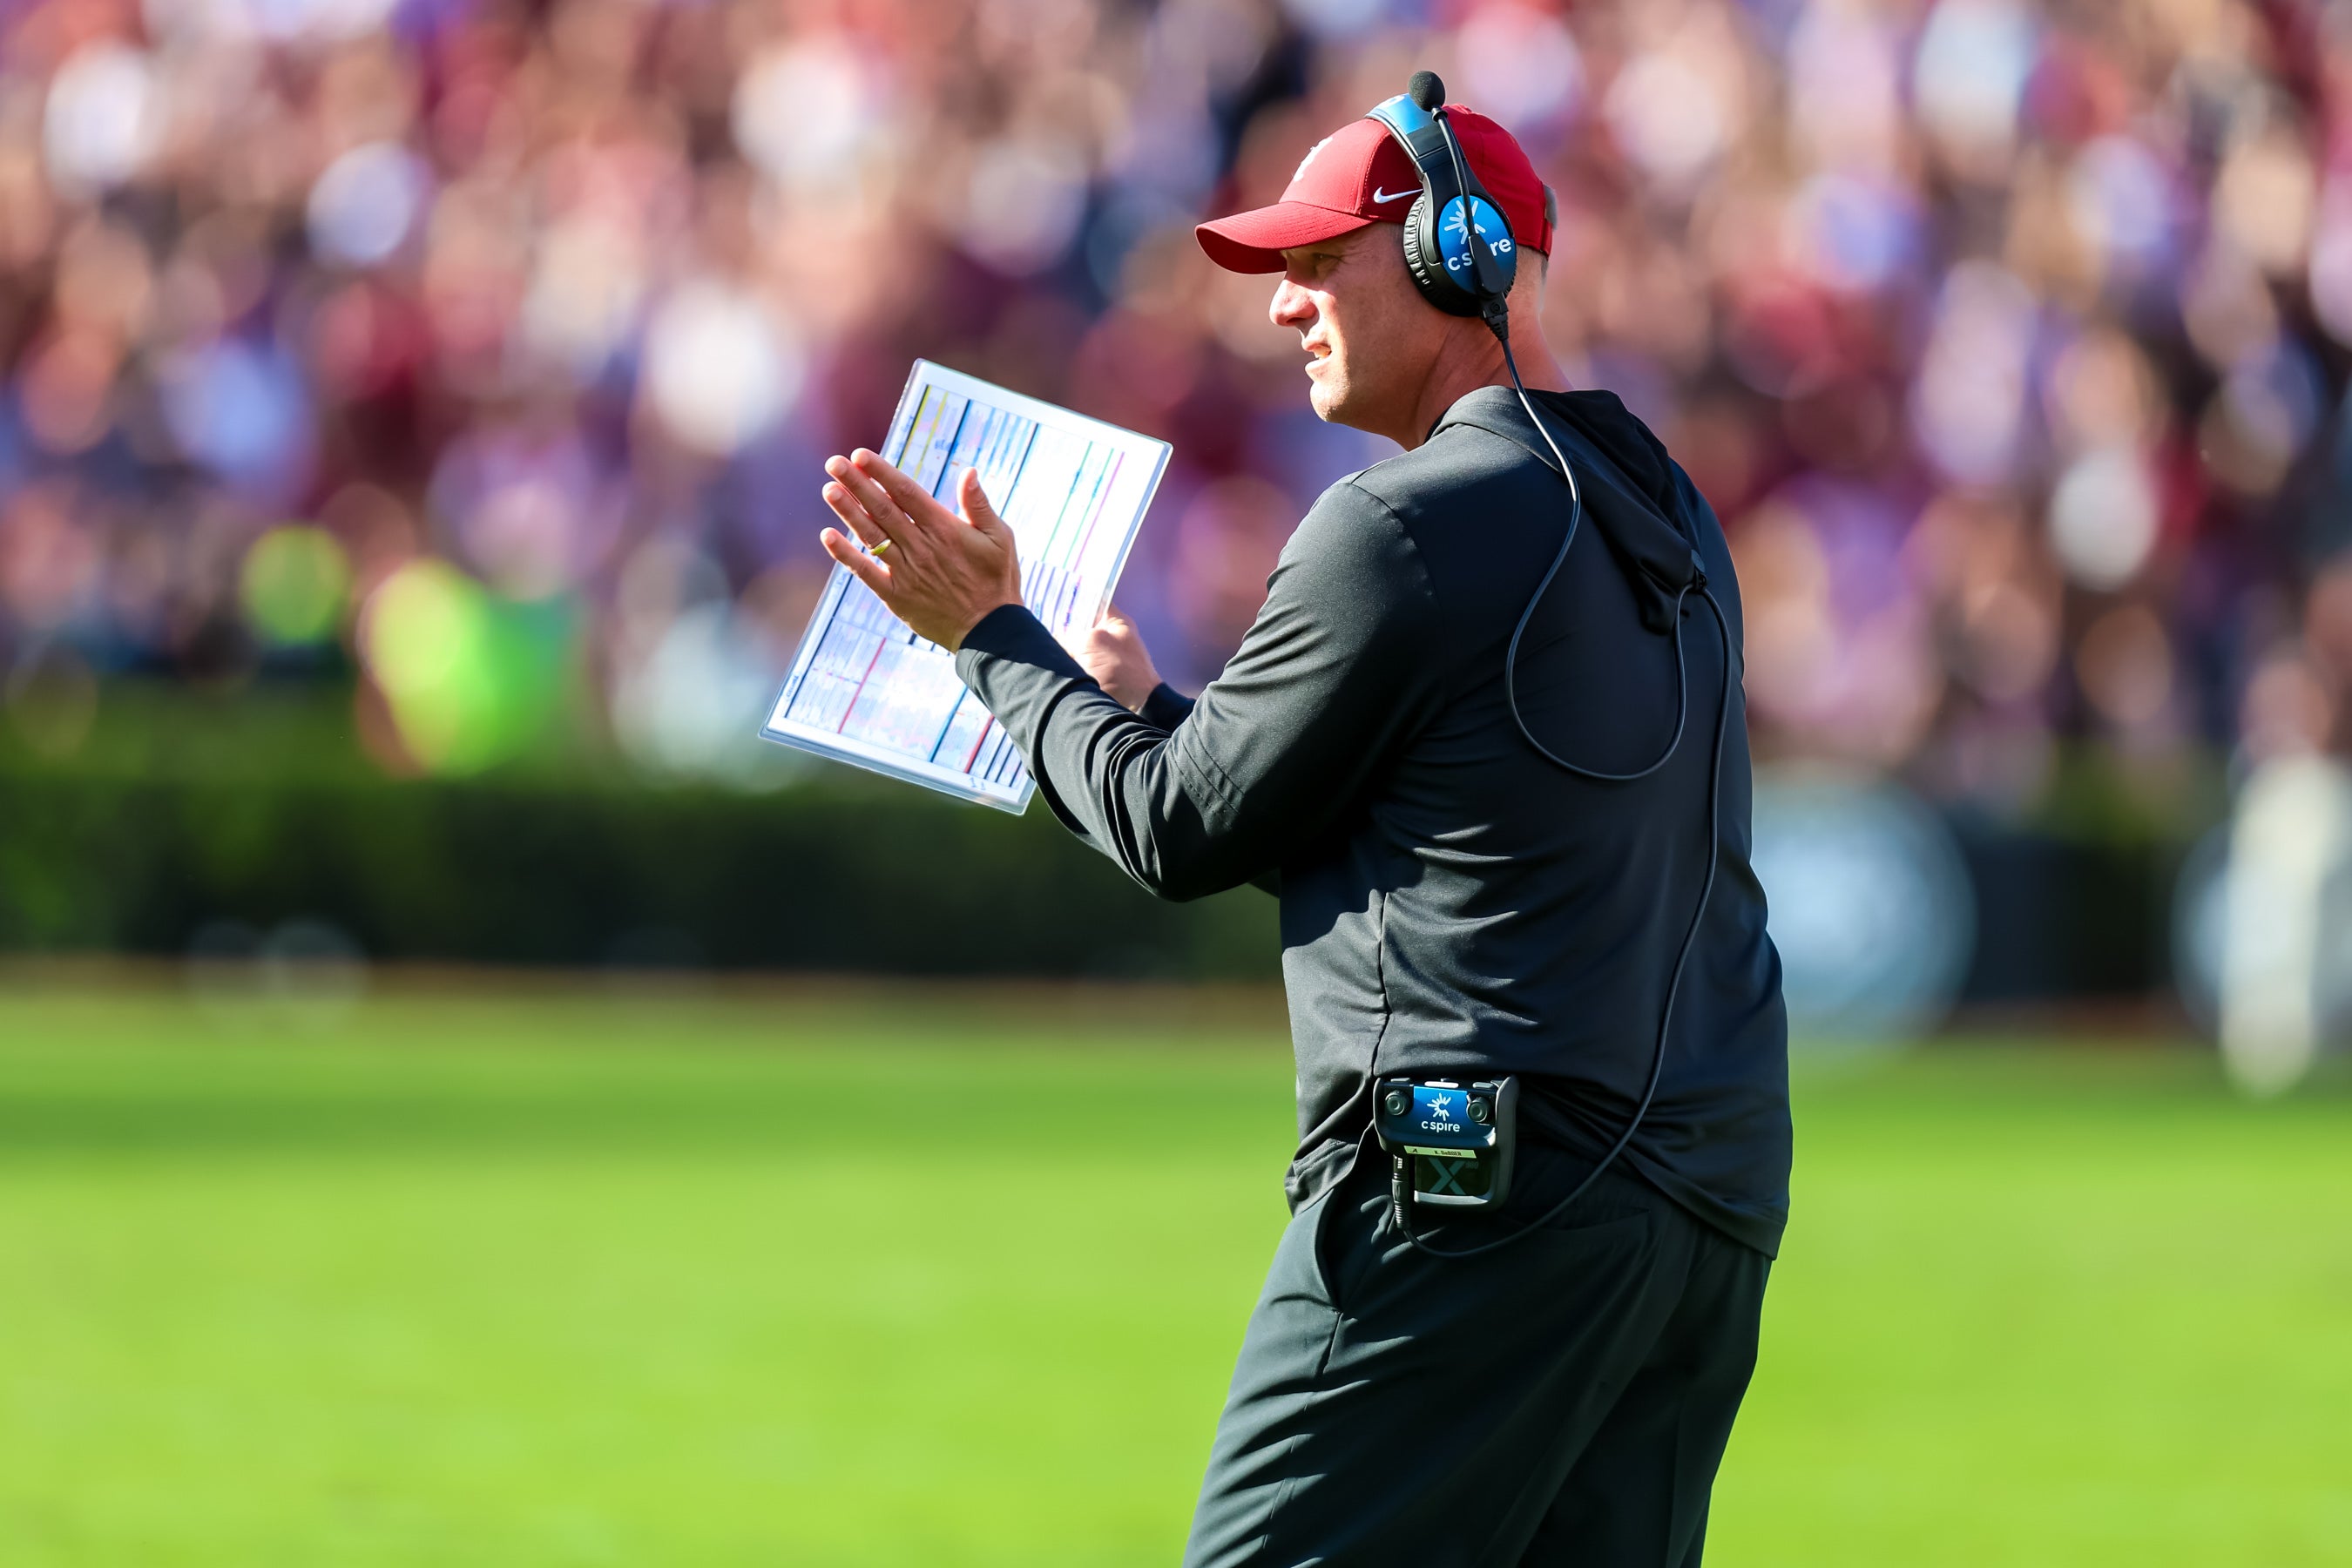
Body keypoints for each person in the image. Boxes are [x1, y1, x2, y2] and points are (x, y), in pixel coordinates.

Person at [814, 90, 1788, 1568]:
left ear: (1459, 257)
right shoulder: (1664, 505)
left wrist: (987, 636)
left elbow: (1178, 829)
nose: (1281, 308)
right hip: (1700, 1215)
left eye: (1321, 262)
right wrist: (1138, 717)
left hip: (1475, 1199)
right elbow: (1412, 835)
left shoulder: (1397, 524)